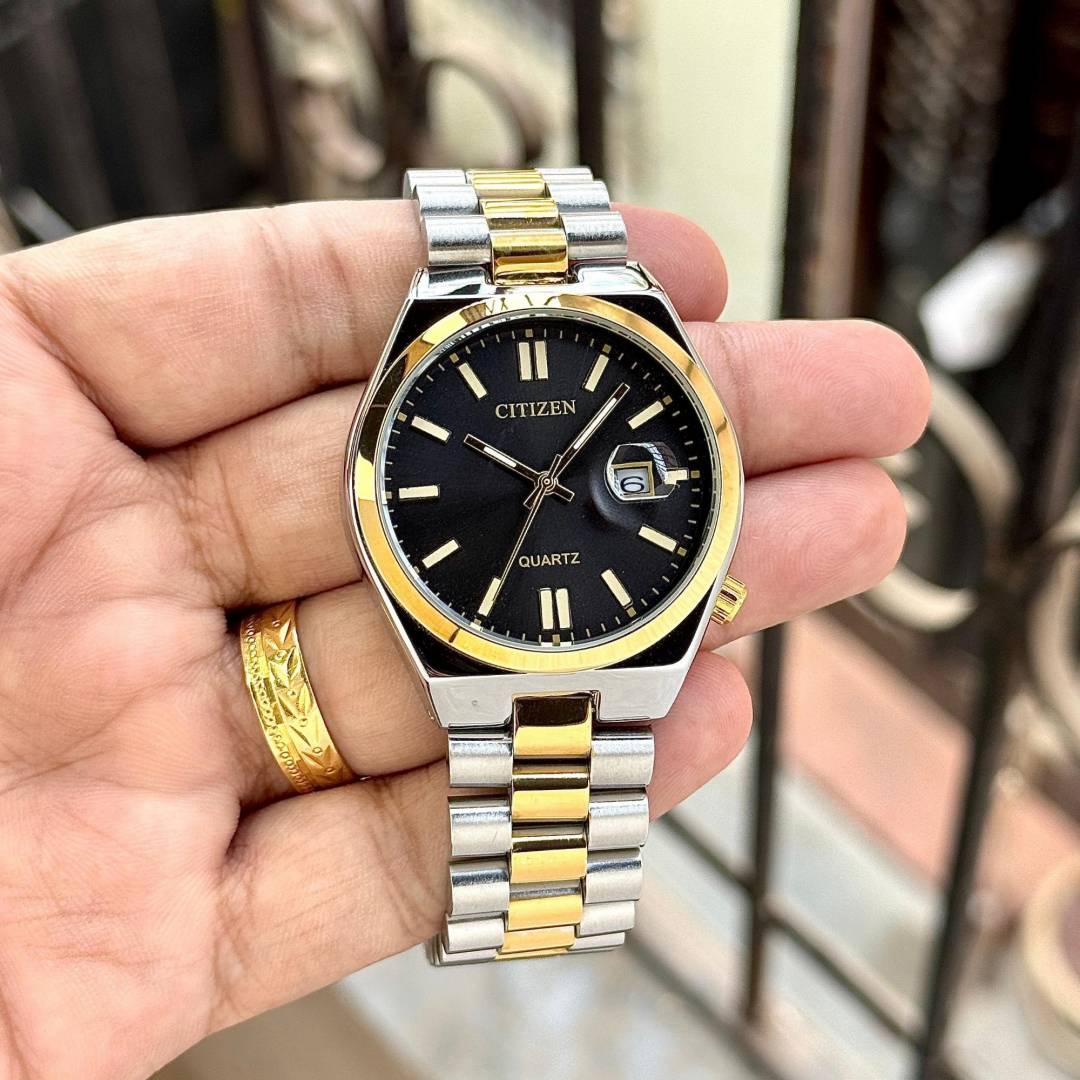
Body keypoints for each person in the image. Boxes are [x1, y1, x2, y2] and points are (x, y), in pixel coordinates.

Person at [0, 199, 929, 1079]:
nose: (551, 492)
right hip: (501, 631)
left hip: (606, 623)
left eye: (554, 485)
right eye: (541, 485)